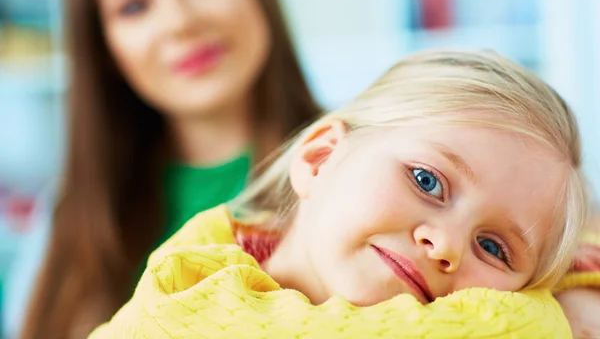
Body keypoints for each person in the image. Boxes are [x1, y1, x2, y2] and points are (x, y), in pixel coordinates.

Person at [89, 50, 600, 338]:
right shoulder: (179, 302)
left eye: (493, 247)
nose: (444, 245)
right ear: (319, 158)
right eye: (427, 181)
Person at [10, 0, 321, 338]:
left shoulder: (364, 168)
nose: (180, 22)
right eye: (134, 6)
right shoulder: (62, 221)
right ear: (104, 48)